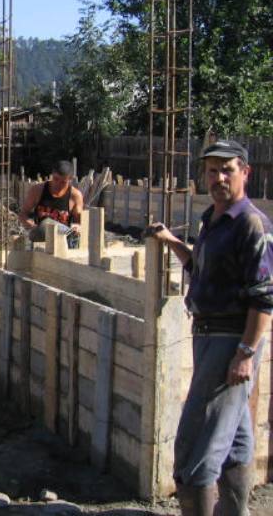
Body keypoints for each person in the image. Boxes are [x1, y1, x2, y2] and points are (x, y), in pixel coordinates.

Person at [151, 139, 273, 516]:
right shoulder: (213, 220)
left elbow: (265, 298)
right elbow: (203, 271)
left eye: (227, 170)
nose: (219, 178)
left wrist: (245, 353)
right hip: (208, 336)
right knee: (234, 439)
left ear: (245, 173)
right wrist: (173, 242)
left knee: (195, 444)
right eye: (212, 171)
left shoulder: (251, 224)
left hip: (230, 339)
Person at [18, 160, 83, 248]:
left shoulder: (75, 196)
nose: (58, 184)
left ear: (70, 180)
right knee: (45, 225)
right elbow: (23, 214)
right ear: (52, 175)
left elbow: (79, 222)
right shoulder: (37, 190)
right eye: (56, 179)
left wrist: (77, 227)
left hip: (62, 240)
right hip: (40, 238)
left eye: (63, 182)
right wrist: (31, 225)